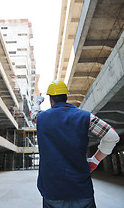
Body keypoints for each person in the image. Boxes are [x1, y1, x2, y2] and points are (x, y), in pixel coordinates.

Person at [31, 80, 120, 208]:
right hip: (82, 191)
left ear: (51, 100)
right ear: (66, 97)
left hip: (53, 192)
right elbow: (112, 136)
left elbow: (33, 114)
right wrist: (95, 160)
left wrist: (39, 101)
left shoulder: (41, 118)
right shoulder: (85, 116)